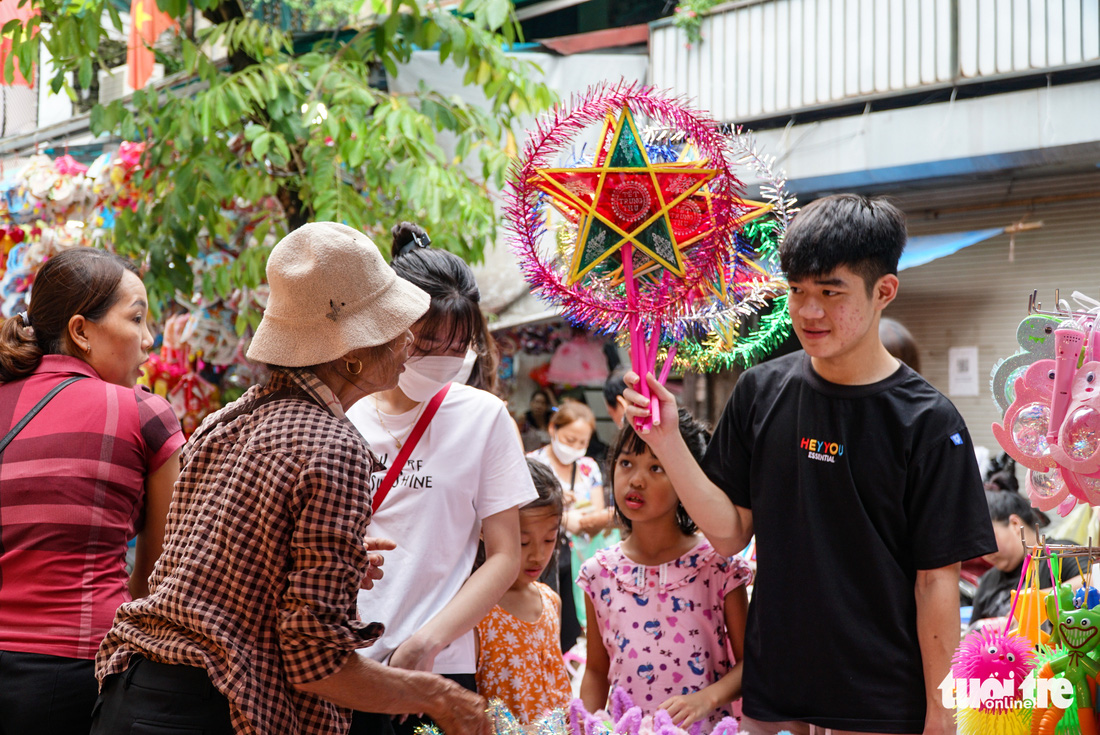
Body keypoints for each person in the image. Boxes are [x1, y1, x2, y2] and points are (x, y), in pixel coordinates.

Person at [92, 223, 489, 735]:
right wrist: (437, 696)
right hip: (212, 709)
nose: (409, 341)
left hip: (137, 695)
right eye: (395, 328)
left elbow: (224, 570)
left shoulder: (227, 419)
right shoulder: (335, 446)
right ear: (351, 355)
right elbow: (313, 662)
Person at [622, 194, 996, 735]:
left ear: (883, 291)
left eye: (830, 292)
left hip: (879, 699)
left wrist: (942, 713)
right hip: (776, 691)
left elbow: (936, 582)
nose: (808, 311)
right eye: (797, 290)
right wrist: (668, 441)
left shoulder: (929, 422)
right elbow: (729, 534)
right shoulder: (760, 390)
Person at [345, 222, 535, 735]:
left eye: (458, 345)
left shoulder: (485, 418)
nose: (445, 361)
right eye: (428, 343)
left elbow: (505, 555)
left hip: (439, 662)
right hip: (340, 666)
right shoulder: (346, 411)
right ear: (392, 325)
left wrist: (429, 641)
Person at [0, 248, 183, 735]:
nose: (148, 341)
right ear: (82, 331)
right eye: (138, 319)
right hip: (82, 670)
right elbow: (158, 579)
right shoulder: (144, 413)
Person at [579, 409, 751, 729]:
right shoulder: (598, 573)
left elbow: (752, 663)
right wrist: (584, 724)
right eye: (626, 462)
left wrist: (707, 699)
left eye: (657, 467)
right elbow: (595, 671)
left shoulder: (718, 567)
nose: (636, 479)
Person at [475, 459, 571, 724]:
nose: (538, 555)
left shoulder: (551, 601)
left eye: (549, 539)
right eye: (523, 542)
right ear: (485, 530)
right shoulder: (477, 612)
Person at [529, 401, 613, 647]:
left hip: (581, 560)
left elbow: (597, 514)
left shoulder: (589, 467)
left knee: (572, 630)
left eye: (582, 443)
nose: (575, 447)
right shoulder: (533, 463)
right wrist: (561, 513)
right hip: (544, 558)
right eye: (570, 439)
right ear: (553, 429)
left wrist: (585, 519)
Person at [970, 489, 1078, 625]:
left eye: (986, 539)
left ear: (1015, 524)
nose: (984, 552)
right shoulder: (988, 582)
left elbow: (1091, 581)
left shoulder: (1059, 553)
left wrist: (1041, 600)